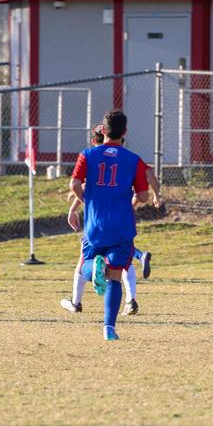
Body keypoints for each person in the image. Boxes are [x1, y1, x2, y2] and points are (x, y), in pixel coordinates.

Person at [67, 110, 150, 340]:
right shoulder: (133, 160)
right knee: (115, 276)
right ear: (125, 132)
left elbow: (74, 184)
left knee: (86, 266)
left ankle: (96, 269)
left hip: (95, 225)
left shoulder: (87, 155)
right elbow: (143, 196)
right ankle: (109, 329)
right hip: (121, 226)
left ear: (103, 130)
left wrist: (88, 200)